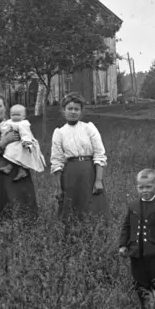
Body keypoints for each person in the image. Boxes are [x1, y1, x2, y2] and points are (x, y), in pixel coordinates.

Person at [0, 93, 39, 221]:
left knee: (22, 210)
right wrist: (3, 143)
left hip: (19, 173)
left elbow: (30, 146)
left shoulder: (18, 124)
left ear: (5, 108)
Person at [118, 168, 155, 308]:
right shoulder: (133, 206)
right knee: (139, 281)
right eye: (141, 187)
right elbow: (126, 227)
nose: (145, 190)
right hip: (136, 252)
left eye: (149, 187)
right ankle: (145, 307)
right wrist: (123, 245)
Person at [49, 93, 109, 221]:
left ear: (81, 111)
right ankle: (72, 236)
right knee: (72, 208)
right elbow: (57, 161)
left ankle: (95, 234)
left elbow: (99, 154)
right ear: (63, 110)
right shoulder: (59, 132)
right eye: (70, 109)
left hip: (89, 172)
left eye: (76, 109)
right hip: (70, 174)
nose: (73, 112)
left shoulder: (89, 128)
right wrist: (58, 187)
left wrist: (98, 180)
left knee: (92, 206)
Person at [0, 104, 47, 180]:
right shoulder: (10, 121)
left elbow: (26, 134)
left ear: (23, 116)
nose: (15, 116)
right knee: (10, 153)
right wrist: (0, 126)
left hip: (22, 144)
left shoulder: (23, 124)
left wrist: (26, 143)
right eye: (13, 115)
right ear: (10, 115)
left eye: (18, 115)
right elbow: (5, 126)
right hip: (14, 143)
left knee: (20, 156)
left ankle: (22, 170)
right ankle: (9, 167)